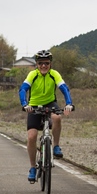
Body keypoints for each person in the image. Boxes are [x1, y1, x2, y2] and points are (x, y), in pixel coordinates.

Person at [19, 50, 74, 182]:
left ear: (50, 64)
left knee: (57, 117)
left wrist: (69, 104)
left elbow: (64, 88)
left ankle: (56, 146)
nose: (44, 66)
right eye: (40, 63)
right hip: (34, 105)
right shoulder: (33, 75)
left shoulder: (54, 74)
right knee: (32, 137)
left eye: (46, 63)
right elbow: (23, 89)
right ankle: (32, 167)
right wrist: (25, 104)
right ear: (37, 64)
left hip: (50, 103)